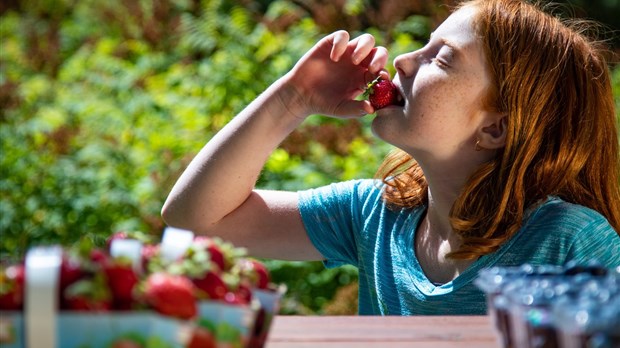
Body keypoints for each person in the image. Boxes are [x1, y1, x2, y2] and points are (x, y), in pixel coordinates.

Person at [161, 0, 620, 315]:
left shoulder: (568, 242)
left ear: (495, 127)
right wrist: (293, 98)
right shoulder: (377, 215)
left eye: (441, 59)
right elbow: (195, 220)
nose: (401, 60)